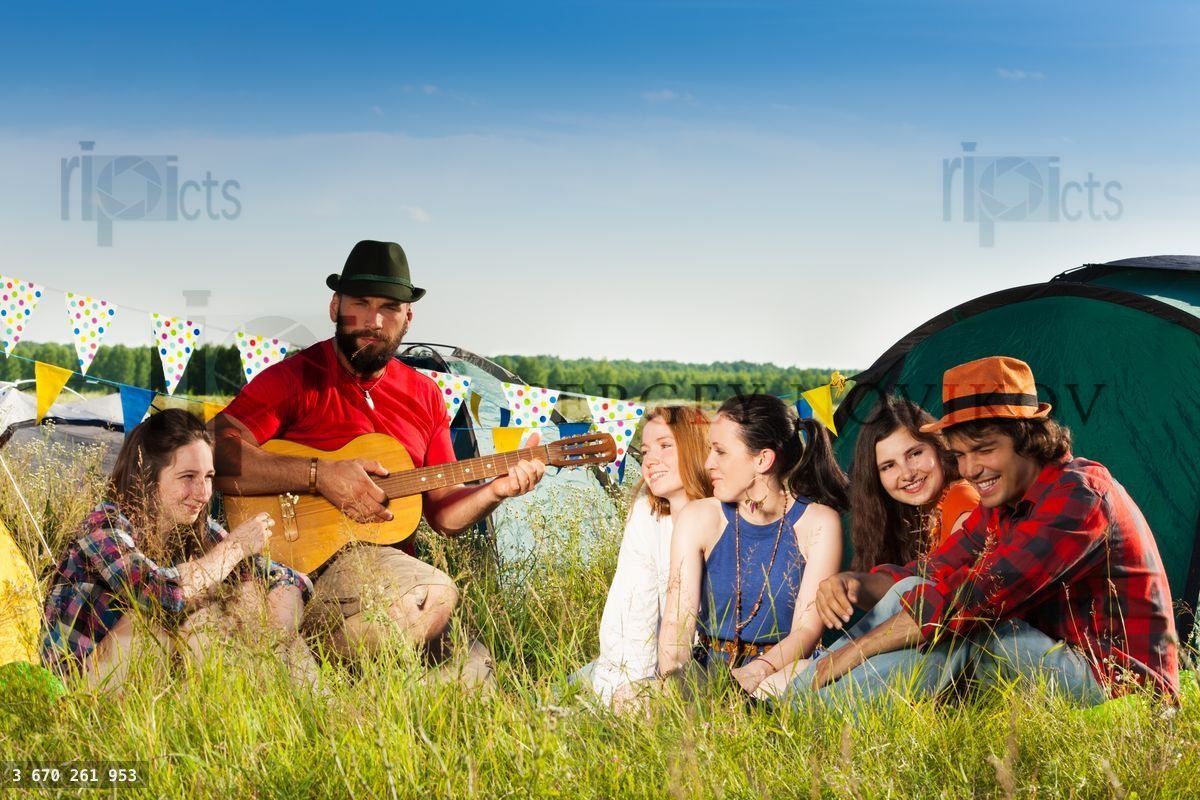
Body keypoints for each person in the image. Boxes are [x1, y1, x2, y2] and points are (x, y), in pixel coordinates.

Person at [213, 240, 545, 677]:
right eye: (360, 304)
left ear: (408, 317)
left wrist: (496, 490)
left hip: (384, 571)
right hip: (298, 565)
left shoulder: (425, 395)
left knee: (475, 666)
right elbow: (217, 453)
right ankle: (334, 669)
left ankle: (312, 665)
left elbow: (444, 512)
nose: (374, 320)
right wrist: (319, 475)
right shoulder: (295, 378)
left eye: (390, 306)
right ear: (335, 307)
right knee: (435, 595)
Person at [799, 356, 1179, 706]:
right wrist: (853, 583)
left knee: (973, 629)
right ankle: (796, 700)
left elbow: (970, 599)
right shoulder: (1004, 504)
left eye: (983, 450)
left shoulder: (1079, 498)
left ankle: (809, 713)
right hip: (1057, 662)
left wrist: (855, 650)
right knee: (910, 592)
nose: (969, 470)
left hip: (1124, 692)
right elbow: (930, 571)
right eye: (960, 455)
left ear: (1028, 436)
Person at [42, 409, 316, 689]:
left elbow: (292, 579)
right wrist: (233, 548)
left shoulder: (196, 530)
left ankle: (305, 718)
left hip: (151, 686)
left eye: (209, 477)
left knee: (248, 595)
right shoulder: (104, 527)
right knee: (161, 617)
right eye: (188, 477)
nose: (203, 493)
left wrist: (278, 632)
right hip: (78, 688)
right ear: (147, 476)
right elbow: (164, 595)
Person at [658, 394, 846, 697]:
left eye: (720, 452)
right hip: (706, 671)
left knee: (787, 681)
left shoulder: (820, 523)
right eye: (710, 450)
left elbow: (807, 631)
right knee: (628, 698)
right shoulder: (698, 517)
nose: (708, 464)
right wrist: (675, 686)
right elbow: (676, 622)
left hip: (775, 674)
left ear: (762, 459)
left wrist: (751, 675)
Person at [576, 405, 711, 708]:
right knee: (544, 705)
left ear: (696, 447)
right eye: (646, 451)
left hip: (715, 669)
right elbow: (631, 613)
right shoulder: (648, 516)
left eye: (665, 446)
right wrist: (623, 690)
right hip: (651, 670)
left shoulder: (724, 516)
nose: (650, 460)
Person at [849, 395, 979, 571]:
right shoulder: (908, 522)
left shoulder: (961, 499)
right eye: (888, 466)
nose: (907, 474)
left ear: (938, 446)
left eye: (915, 454)